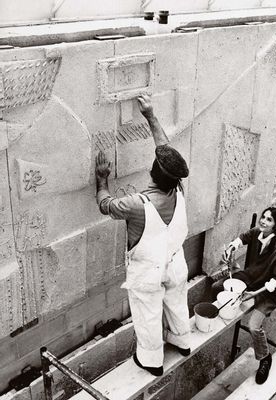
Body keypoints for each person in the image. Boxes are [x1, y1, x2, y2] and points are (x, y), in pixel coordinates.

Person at [95, 94, 191, 377]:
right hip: (175, 265)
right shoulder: (178, 190)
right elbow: (166, 151)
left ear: (152, 171)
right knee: (176, 303)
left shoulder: (137, 205)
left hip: (148, 274)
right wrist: (150, 115)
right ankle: (182, 341)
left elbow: (106, 205)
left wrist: (102, 178)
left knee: (148, 317)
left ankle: (151, 361)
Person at [216, 207, 276, 385]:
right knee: (217, 286)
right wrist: (231, 248)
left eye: (269, 220)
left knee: (253, 326)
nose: (263, 221)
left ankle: (265, 358)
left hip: (268, 293)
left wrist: (253, 294)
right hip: (251, 277)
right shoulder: (258, 232)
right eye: (263, 217)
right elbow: (243, 237)